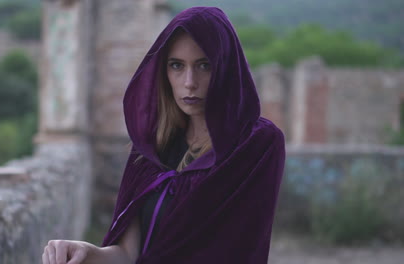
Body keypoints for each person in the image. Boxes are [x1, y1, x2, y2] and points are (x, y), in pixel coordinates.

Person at [42, 6, 285, 264]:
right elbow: (128, 255)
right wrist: (88, 253)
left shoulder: (256, 145)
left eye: (204, 65)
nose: (189, 82)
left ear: (225, 67)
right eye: (177, 65)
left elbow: (238, 249)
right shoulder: (151, 148)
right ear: (163, 72)